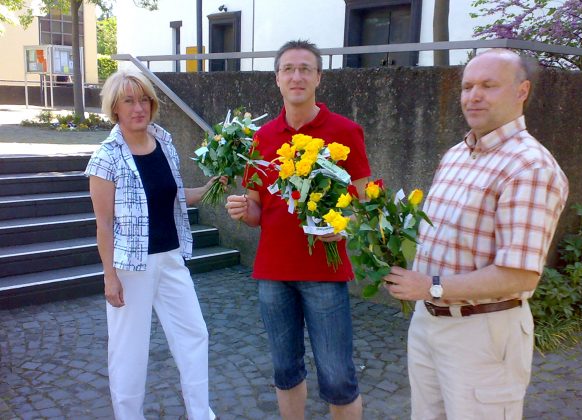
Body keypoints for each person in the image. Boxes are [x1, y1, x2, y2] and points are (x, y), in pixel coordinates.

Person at [384, 49, 569, 419]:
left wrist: (431, 286)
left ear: (522, 91)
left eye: (488, 85)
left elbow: (519, 274)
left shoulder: (530, 167)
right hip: (428, 322)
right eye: (467, 87)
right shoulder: (456, 155)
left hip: (482, 332)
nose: (474, 96)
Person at [225, 40, 370, 420]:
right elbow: (257, 209)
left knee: (338, 377)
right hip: (273, 273)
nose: (297, 76)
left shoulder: (346, 131)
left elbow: (366, 204)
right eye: (288, 69)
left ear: (319, 77)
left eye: (305, 69)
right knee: (285, 371)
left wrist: (345, 225)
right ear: (277, 79)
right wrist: (243, 209)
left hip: (325, 272)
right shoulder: (262, 138)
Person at [85, 69, 220, 420]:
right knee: (129, 351)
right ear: (115, 108)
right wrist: (109, 276)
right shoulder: (106, 157)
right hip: (131, 268)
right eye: (129, 101)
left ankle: (200, 413)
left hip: (171, 258)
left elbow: (173, 196)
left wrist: (207, 189)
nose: (138, 108)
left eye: (144, 99)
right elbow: (104, 224)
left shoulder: (164, 143)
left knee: (194, 334)